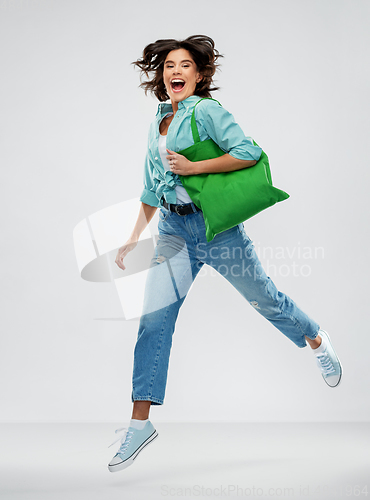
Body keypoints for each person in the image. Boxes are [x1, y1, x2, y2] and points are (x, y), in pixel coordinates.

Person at [108, 35, 342, 473]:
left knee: (265, 300)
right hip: (173, 230)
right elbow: (149, 188)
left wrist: (196, 167)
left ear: (198, 75)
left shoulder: (208, 111)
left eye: (185, 65)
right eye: (169, 66)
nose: (175, 71)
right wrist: (132, 237)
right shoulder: (158, 119)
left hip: (216, 230)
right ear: (162, 76)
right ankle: (140, 426)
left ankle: (315, 338)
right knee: (154, 320)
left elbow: (248, 152)